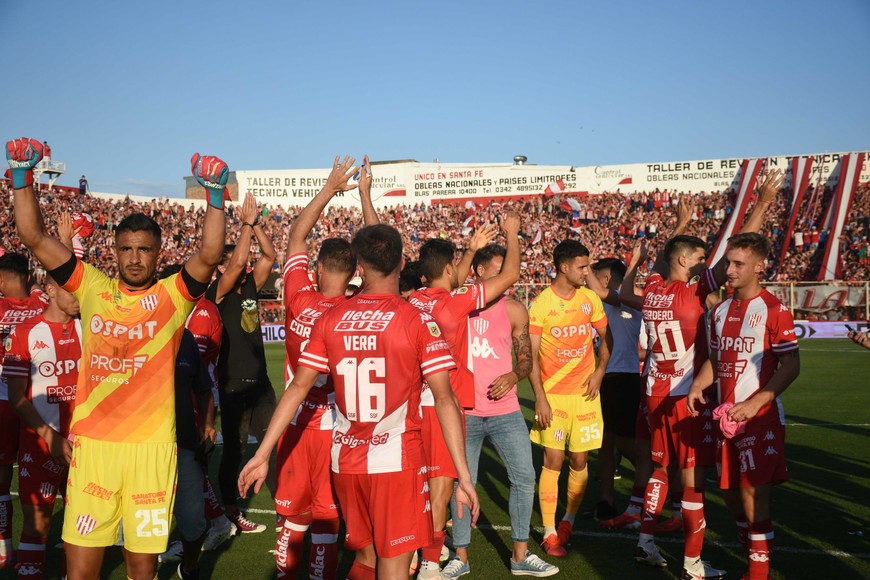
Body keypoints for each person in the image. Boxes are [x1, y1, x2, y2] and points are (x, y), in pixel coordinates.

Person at [8, 137, 227, 580]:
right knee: (82, 568)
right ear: (114, 250)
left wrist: (216, 198)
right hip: (96, 451)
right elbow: (32, 236)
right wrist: (20, 175)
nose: (134, 258)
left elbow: (208, 254)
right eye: (126, 248)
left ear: (158, 253)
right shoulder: (92, 287)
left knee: (140, 570)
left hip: (151, 452)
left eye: (144, 249)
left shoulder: (173, 297)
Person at [239, 224, 479, 580]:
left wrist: (262, 454)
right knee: (393, 567)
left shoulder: (332, 318)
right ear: (401, 263)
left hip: (346, 462)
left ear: (359, 268)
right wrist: (463, 476)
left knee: (365, 560)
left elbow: (297, 389)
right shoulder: (417, 320)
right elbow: (445, 399)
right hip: (396, 463)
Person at [621, 171, 782, 579]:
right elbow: (737, 249)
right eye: (697, 259)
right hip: (684, 395)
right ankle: (693, 564)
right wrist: (761, 204)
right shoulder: (691, 291)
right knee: (694, 481)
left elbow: (662, 259)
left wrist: (680, 227)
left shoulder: (654, 287)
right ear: (685, 262)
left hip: (653, 390)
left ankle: (645, 540)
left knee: (660, 468)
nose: (707, 265)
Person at [274, 155, 376, 579]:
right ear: (355, 273)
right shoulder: (354, 310)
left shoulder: (298, 296)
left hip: (295, 422)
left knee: (292, 517)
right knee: (326, 521)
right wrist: (366, 197)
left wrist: (331, 189)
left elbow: (297, 234)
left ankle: (284, 573)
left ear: (316, 270)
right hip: (338, 427)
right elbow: (384, 257)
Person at [409, 216, 520, 579]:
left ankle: (410, 552)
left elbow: (451, 278)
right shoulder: (456, 301)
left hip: (409, 407)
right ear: (446, 268)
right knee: (441, 489)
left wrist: (471, 250)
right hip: (443, 406)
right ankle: (428, 564)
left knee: (414, 486)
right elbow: (510, 276)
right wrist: (514, 234)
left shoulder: (410, 302)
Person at [688, 233, 800, 580]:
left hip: (759, 418)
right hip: (726, 418)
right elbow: (717, 359)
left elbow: (792, 364)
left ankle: (757, 573)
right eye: (728, 263)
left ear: (758, 267)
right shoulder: (719, 310)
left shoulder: (775, 309)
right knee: (733, 496)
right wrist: (697, 384)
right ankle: (753, 550)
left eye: (738, 264)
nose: (730, 270)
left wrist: (757, 403)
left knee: (753, 498)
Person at [446, 244, 559, 578]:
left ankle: (520, 555)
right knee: (463, 485)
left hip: (506, 412)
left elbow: (526, 358)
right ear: (479, 272)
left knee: (524, 479)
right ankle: (460, 557)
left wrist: (513, 375)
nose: (506, 276)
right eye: (498, 268)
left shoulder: (514, 309)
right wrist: (470, 249)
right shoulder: (458, 303)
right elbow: (451, 282)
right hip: (463, 411)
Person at [528, 239, 612, 557]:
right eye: (582, 266)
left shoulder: (589, 299)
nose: (586, 271)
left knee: (580, 460)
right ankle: (549, 533)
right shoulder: (541, 305)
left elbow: (607, 338)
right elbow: (532, 357)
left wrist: (600, 371)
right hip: (553, 397)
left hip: (586, 397)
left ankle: (568, 520)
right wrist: (540, 398)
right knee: (555, 460)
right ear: (564, 267)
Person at [205, 192, 278, 533]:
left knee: (272, 446)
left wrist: (258, 225)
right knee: (233, 452)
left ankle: (285, 512)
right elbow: (236, 265)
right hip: (233, 385)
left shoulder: (250, 285)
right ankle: (232, 511)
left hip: (261, 385)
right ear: (219, 267)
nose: (240, 263)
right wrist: (245, 223)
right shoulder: (215, 293)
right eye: (231, 260)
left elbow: (270, 254)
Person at [4, 275, 81, 579]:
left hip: (84, 446)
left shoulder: (89, 327)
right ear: (49, 290)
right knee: (37, 526)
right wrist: (50, 436)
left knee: (81, 527)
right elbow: (15, 396)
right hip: (40, 444)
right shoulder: (23, 333)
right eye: (70, 290)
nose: (78, 296)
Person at [155, 264, 221, 579]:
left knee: (193, 521)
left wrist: (208, 422)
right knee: (148, 522)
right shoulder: (137, 336)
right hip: (144, 445)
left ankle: (189, 566)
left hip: (184, 443)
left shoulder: (186, 340)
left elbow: (204, 389)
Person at [586, 249, 658, 525]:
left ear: (607, 279)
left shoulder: (621, 301)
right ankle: (607, 500)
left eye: (598, 276)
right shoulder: (605, 303)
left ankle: (654, 487)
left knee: (628, 444)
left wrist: (583, 265)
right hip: (607, 378)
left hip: (623, 378)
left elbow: (600, 289)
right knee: (606, 443)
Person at [0, 252, 49, 567]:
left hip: (3, 399)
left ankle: (4, 548)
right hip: (39, 403)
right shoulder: (42, 304)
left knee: (2, 480)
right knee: (42, 481)